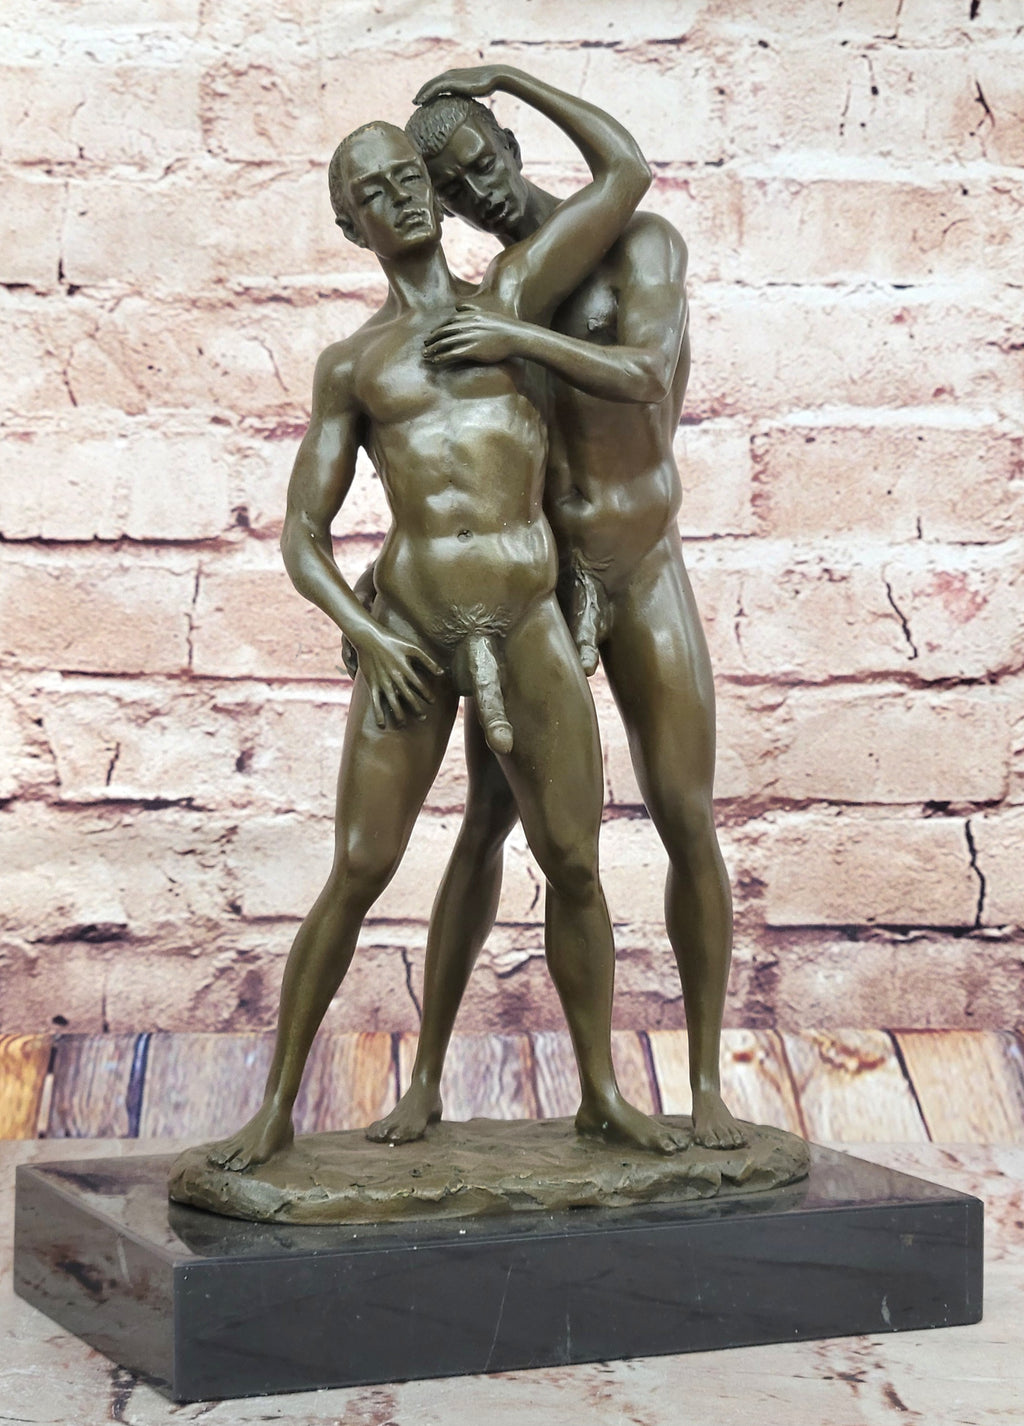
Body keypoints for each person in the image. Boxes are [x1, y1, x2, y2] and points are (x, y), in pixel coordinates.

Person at [209, 65, 688, 1173]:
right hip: (415, 638)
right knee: (360, 866)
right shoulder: (354, 365)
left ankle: (602, 1094)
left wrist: (508, 80)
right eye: (374, 191)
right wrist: (368, 631)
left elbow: (624, 171)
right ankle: (274, 1105)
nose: (404, 197)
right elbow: (302, 534)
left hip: (524, 623)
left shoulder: (513, 296)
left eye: (408, 176)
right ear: (353, 226)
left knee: (575, 862)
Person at [367, 73, 743, 1152]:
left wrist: (507, 74)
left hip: (640, 562)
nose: (480, 191)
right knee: (486, 824)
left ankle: (704, 1082)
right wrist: (387, 581)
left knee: (682, 812)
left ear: (509, 139)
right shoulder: (502, 286)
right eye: (454, 187)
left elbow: (645, 375)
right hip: (541, 583)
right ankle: (424, 1079)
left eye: (484, 160)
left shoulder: (634, 246)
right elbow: (447, 460)